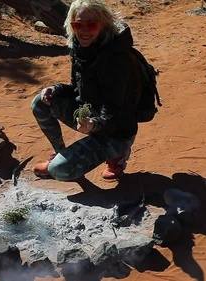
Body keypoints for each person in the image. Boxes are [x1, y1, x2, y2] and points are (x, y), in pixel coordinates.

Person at [31, 0, 141, 182]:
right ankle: (61, 153)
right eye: (78, 24)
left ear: (103, 24)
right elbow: (77, 88)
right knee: (40, 103)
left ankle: (117, 155)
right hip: (90, 116)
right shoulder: (80, 49)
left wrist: (94, 125)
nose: (84, 30)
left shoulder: (117, 60)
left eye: (91, 24)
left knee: (59, 171)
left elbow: (114, 110)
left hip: (117, 130)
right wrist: (55, 89)